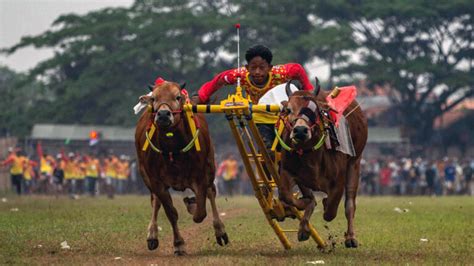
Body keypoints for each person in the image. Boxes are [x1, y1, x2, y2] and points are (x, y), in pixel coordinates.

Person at [194, 44, 314, 149]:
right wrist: (200, 97)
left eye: (262, 68)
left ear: (270, 68)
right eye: (253, 68)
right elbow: (219, 80)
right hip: (260, 118)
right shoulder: (240, 75)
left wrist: (310, 94)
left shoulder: (281, 72)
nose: (257, 72)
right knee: (267, 152)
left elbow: (298, 69)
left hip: (283, 116)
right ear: (247, 68)